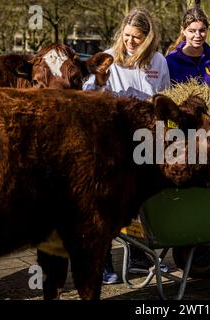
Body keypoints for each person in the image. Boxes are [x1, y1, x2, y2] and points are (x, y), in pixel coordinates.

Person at [83, 8, 170, 285]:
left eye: (138, 37)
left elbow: (164, 97)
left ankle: (139, 258)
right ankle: (104, 262)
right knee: (108, 202)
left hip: (145, 140)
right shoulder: (109, 58)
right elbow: (87, 95)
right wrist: (99, 80)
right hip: (113, 140)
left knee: (139, 201)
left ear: (148, 37)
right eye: (128, 35)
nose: (131, 42)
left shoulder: (158, 61)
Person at [165, 7, 210, 91]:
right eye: (192, 31)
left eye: (202, 30)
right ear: (183, 31)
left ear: (207, 29)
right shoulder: (171, 61)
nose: (198, 35)